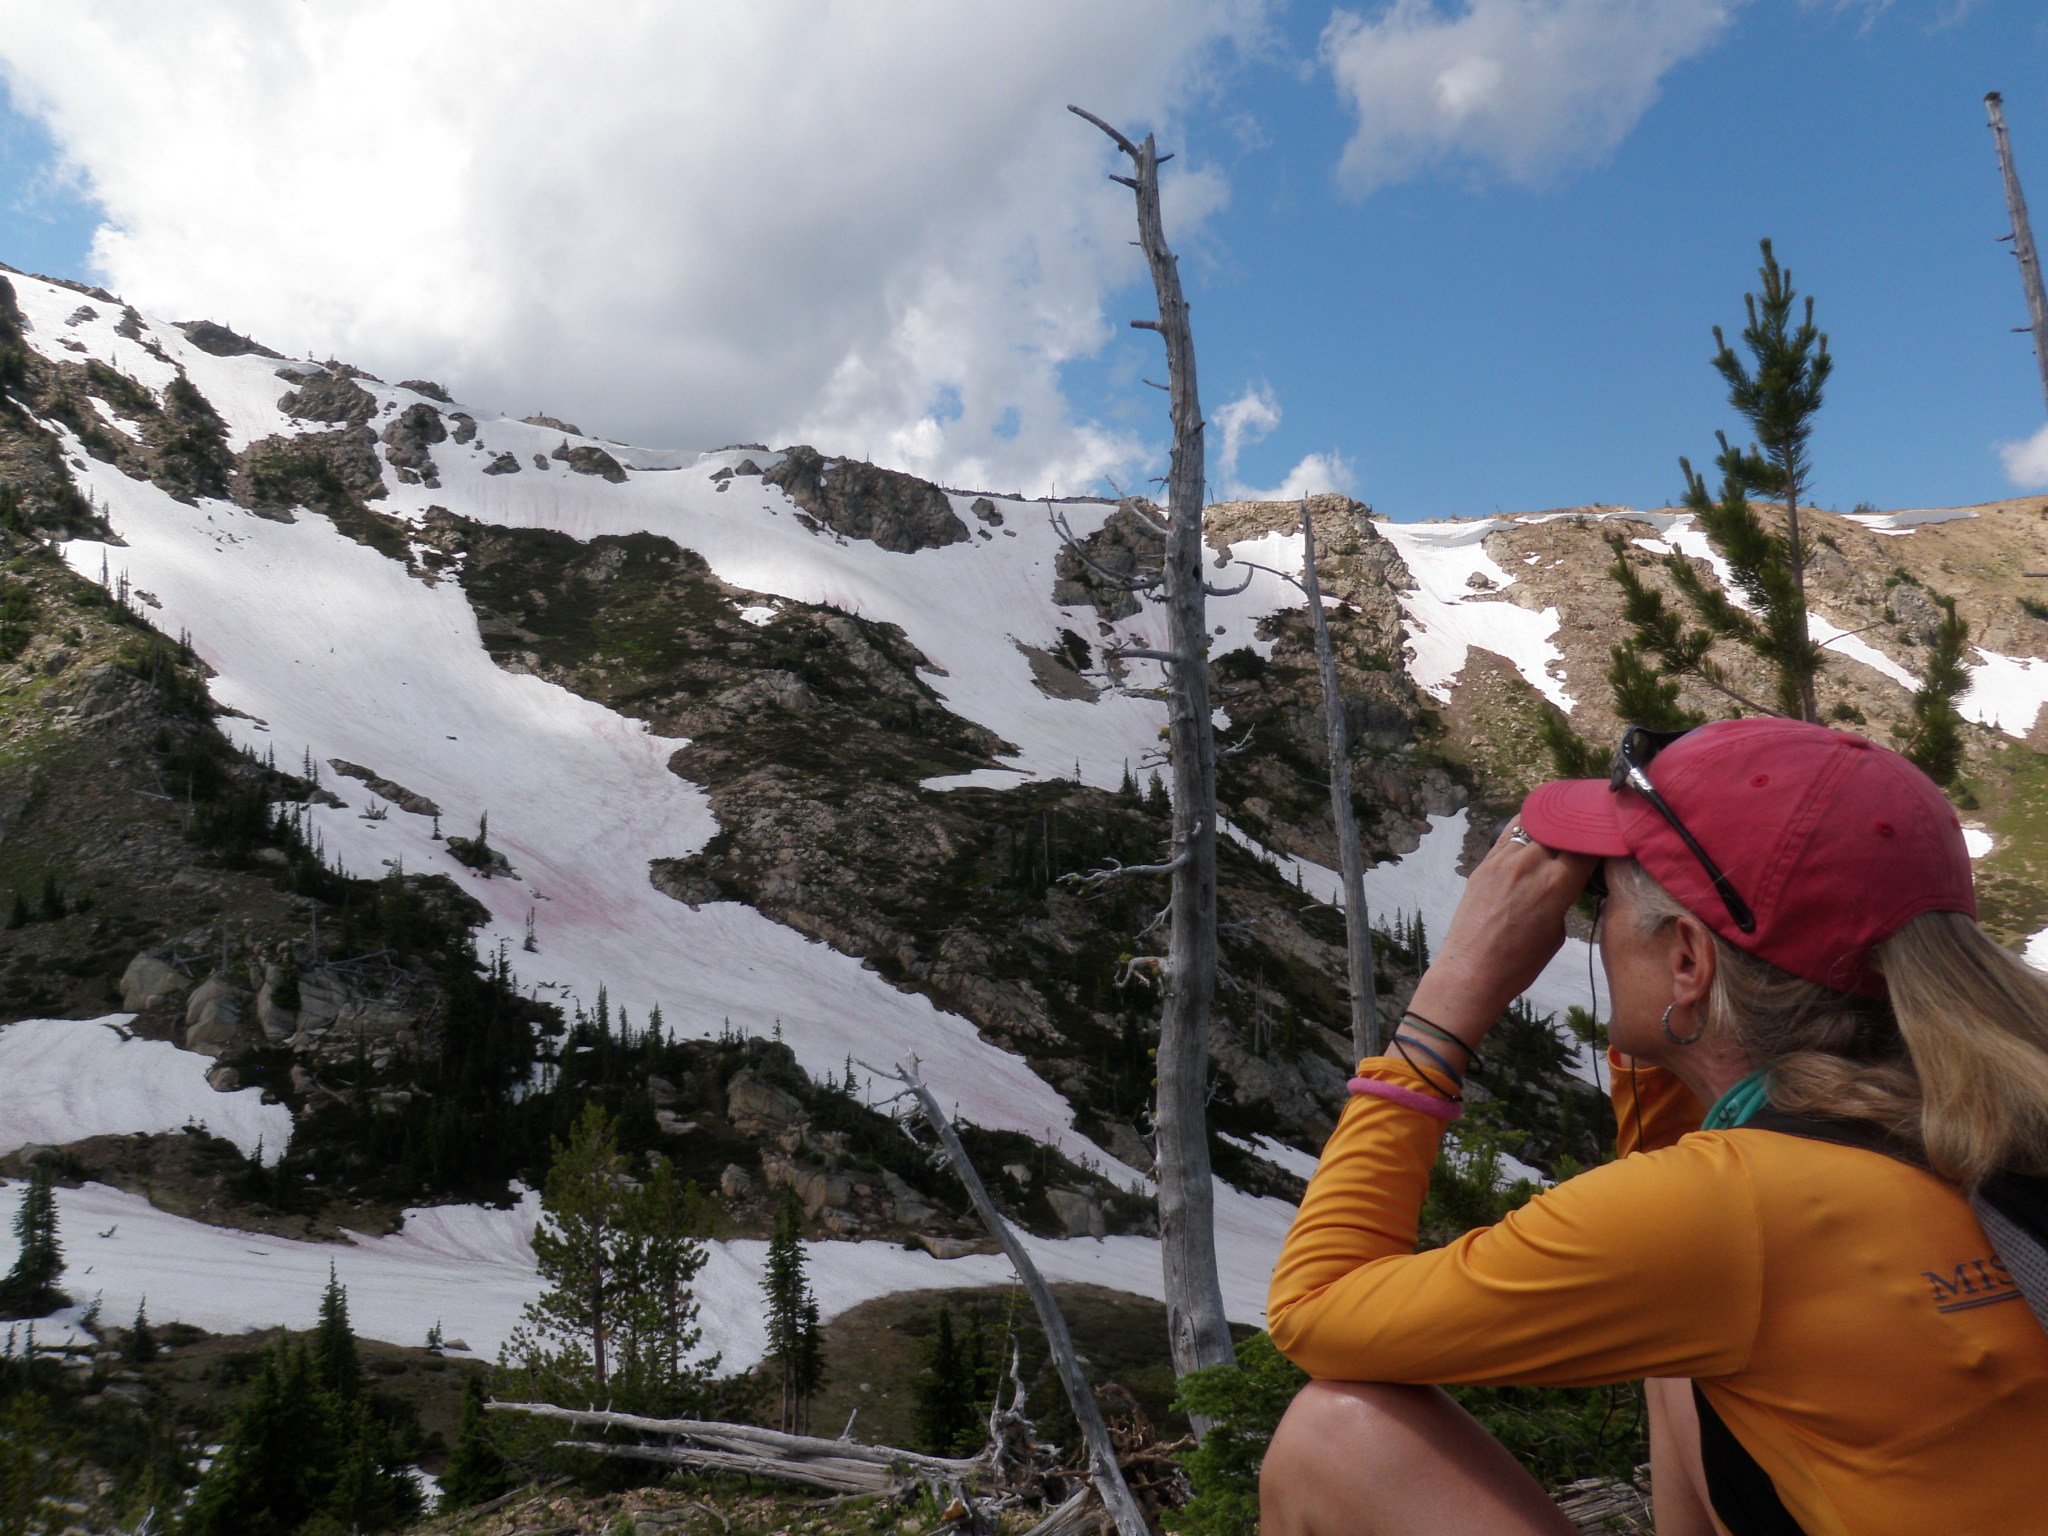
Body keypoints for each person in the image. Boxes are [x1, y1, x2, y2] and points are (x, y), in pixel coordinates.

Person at [1262, 717, 2048, 1536]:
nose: (1594, 926)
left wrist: (1449, 999)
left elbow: (1314, 1310)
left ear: (1688, 960)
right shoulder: (1977, 1110)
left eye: (1605, 898)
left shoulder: (1737, 1207)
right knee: (1681, 1362)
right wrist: (1668, 1040)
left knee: (1333, 1434)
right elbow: (1691, 1219)